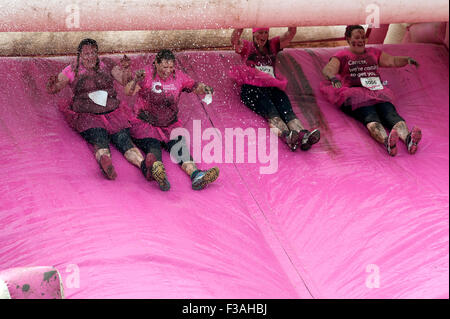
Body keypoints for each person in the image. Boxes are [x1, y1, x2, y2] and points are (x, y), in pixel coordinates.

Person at [46, 38, 144, 179]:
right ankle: (105, 161)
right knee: (99, 138)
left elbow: (124, 80)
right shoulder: (72, 69)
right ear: (79, 55)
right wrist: (52, 84)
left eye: (93, 53)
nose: (90, 57)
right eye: (86, 54)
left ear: (97, 53)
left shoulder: (107, 64)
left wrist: (127, 68)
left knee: (124, 140)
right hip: (89, 117)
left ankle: (144, 165)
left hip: (114, 113)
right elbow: (54, 88)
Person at [125, 49, 219, 191]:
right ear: (156, 63)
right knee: (153, 148)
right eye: (164, 67)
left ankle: (196, 175)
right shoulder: (146, 74)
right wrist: (135, 81)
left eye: (170, 67)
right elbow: (128, 92)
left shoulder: (179, 76)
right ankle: (158, 173)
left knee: (181, 150)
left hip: (170, 125)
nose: (167, 71)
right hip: (146, 125)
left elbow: (195, 86)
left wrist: (205, 88)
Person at [321, 25, 422, 156]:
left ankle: (408, 139)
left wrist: (407, 59)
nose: (361, 40)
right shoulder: (342, 55)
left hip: (377, 92)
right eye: (357, 37)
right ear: (348, 39)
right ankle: (387, 142)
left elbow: (392, 61)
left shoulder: (373, 52)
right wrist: (333, 78)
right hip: (355, 94)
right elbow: (328, 69)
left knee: (391, 115)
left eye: (363, 37)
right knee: (370, 117)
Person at [230, 27, 320, 151]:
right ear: (253, 34)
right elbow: (234, 41)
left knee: (288, 112)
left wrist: (292, 24)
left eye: (266, 32)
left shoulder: (272, 45)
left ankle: (303, 136)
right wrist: (240, 26)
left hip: (272, 87)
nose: (263, 36)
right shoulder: (247, 46)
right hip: (252, 88)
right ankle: (286, 136)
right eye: (260, 33)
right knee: (272, 112)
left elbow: (289, 35)